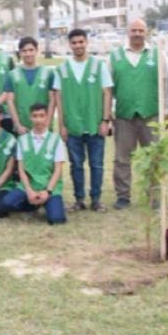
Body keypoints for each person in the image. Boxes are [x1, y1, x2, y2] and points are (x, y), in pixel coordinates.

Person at [53, 28, 114, 213]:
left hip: (94, 124)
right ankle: (79, 199)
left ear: (87, 42)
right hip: (73, 127)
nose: (78, 45)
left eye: (81, 42)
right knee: (76, 165)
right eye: (74, 42)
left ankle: (96, 199)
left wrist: (105, 120)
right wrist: (62, 125)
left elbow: (107, 93)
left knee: (96, 164)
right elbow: (58, 98)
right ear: (69, 45)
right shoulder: (62, 69)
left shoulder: (98, 66)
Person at [107, 19, 159, 210]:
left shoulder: (157, 54)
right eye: (133, 30)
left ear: (146, 32)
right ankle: (123, 196)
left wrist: (166, 110)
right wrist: (109, 111)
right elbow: (107, 87)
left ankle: (154, 195)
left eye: (140, 30)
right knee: (122, 158)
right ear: (128, 32)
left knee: (153, 157)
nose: (137, 33)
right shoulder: (115, 56)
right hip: (124, 116)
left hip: (150, 114)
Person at [0, 103, 67, 225]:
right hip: (28, 186)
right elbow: (21, 169)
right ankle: (32, 205)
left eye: (41, 116)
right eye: (35, 116)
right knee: (5, 204)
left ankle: (47, 202)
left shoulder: (56, 140)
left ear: (47, 117)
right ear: (30, 117)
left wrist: (48, 192)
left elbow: (57, 170)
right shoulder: (22, 140)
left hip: (49, 188)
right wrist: (29, 190)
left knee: (56, 219)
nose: (38, 119)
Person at [5, 37, 55, 136]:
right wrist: (17, 125)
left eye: (31, 50)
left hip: (43, 127)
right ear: (20, 53)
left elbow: (52, 101)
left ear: (37, 51)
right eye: (24, 51)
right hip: (22, 128)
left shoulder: (48, 73)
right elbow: (10, 101)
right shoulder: (12, 75)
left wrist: (47, 124)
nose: (28, 54)